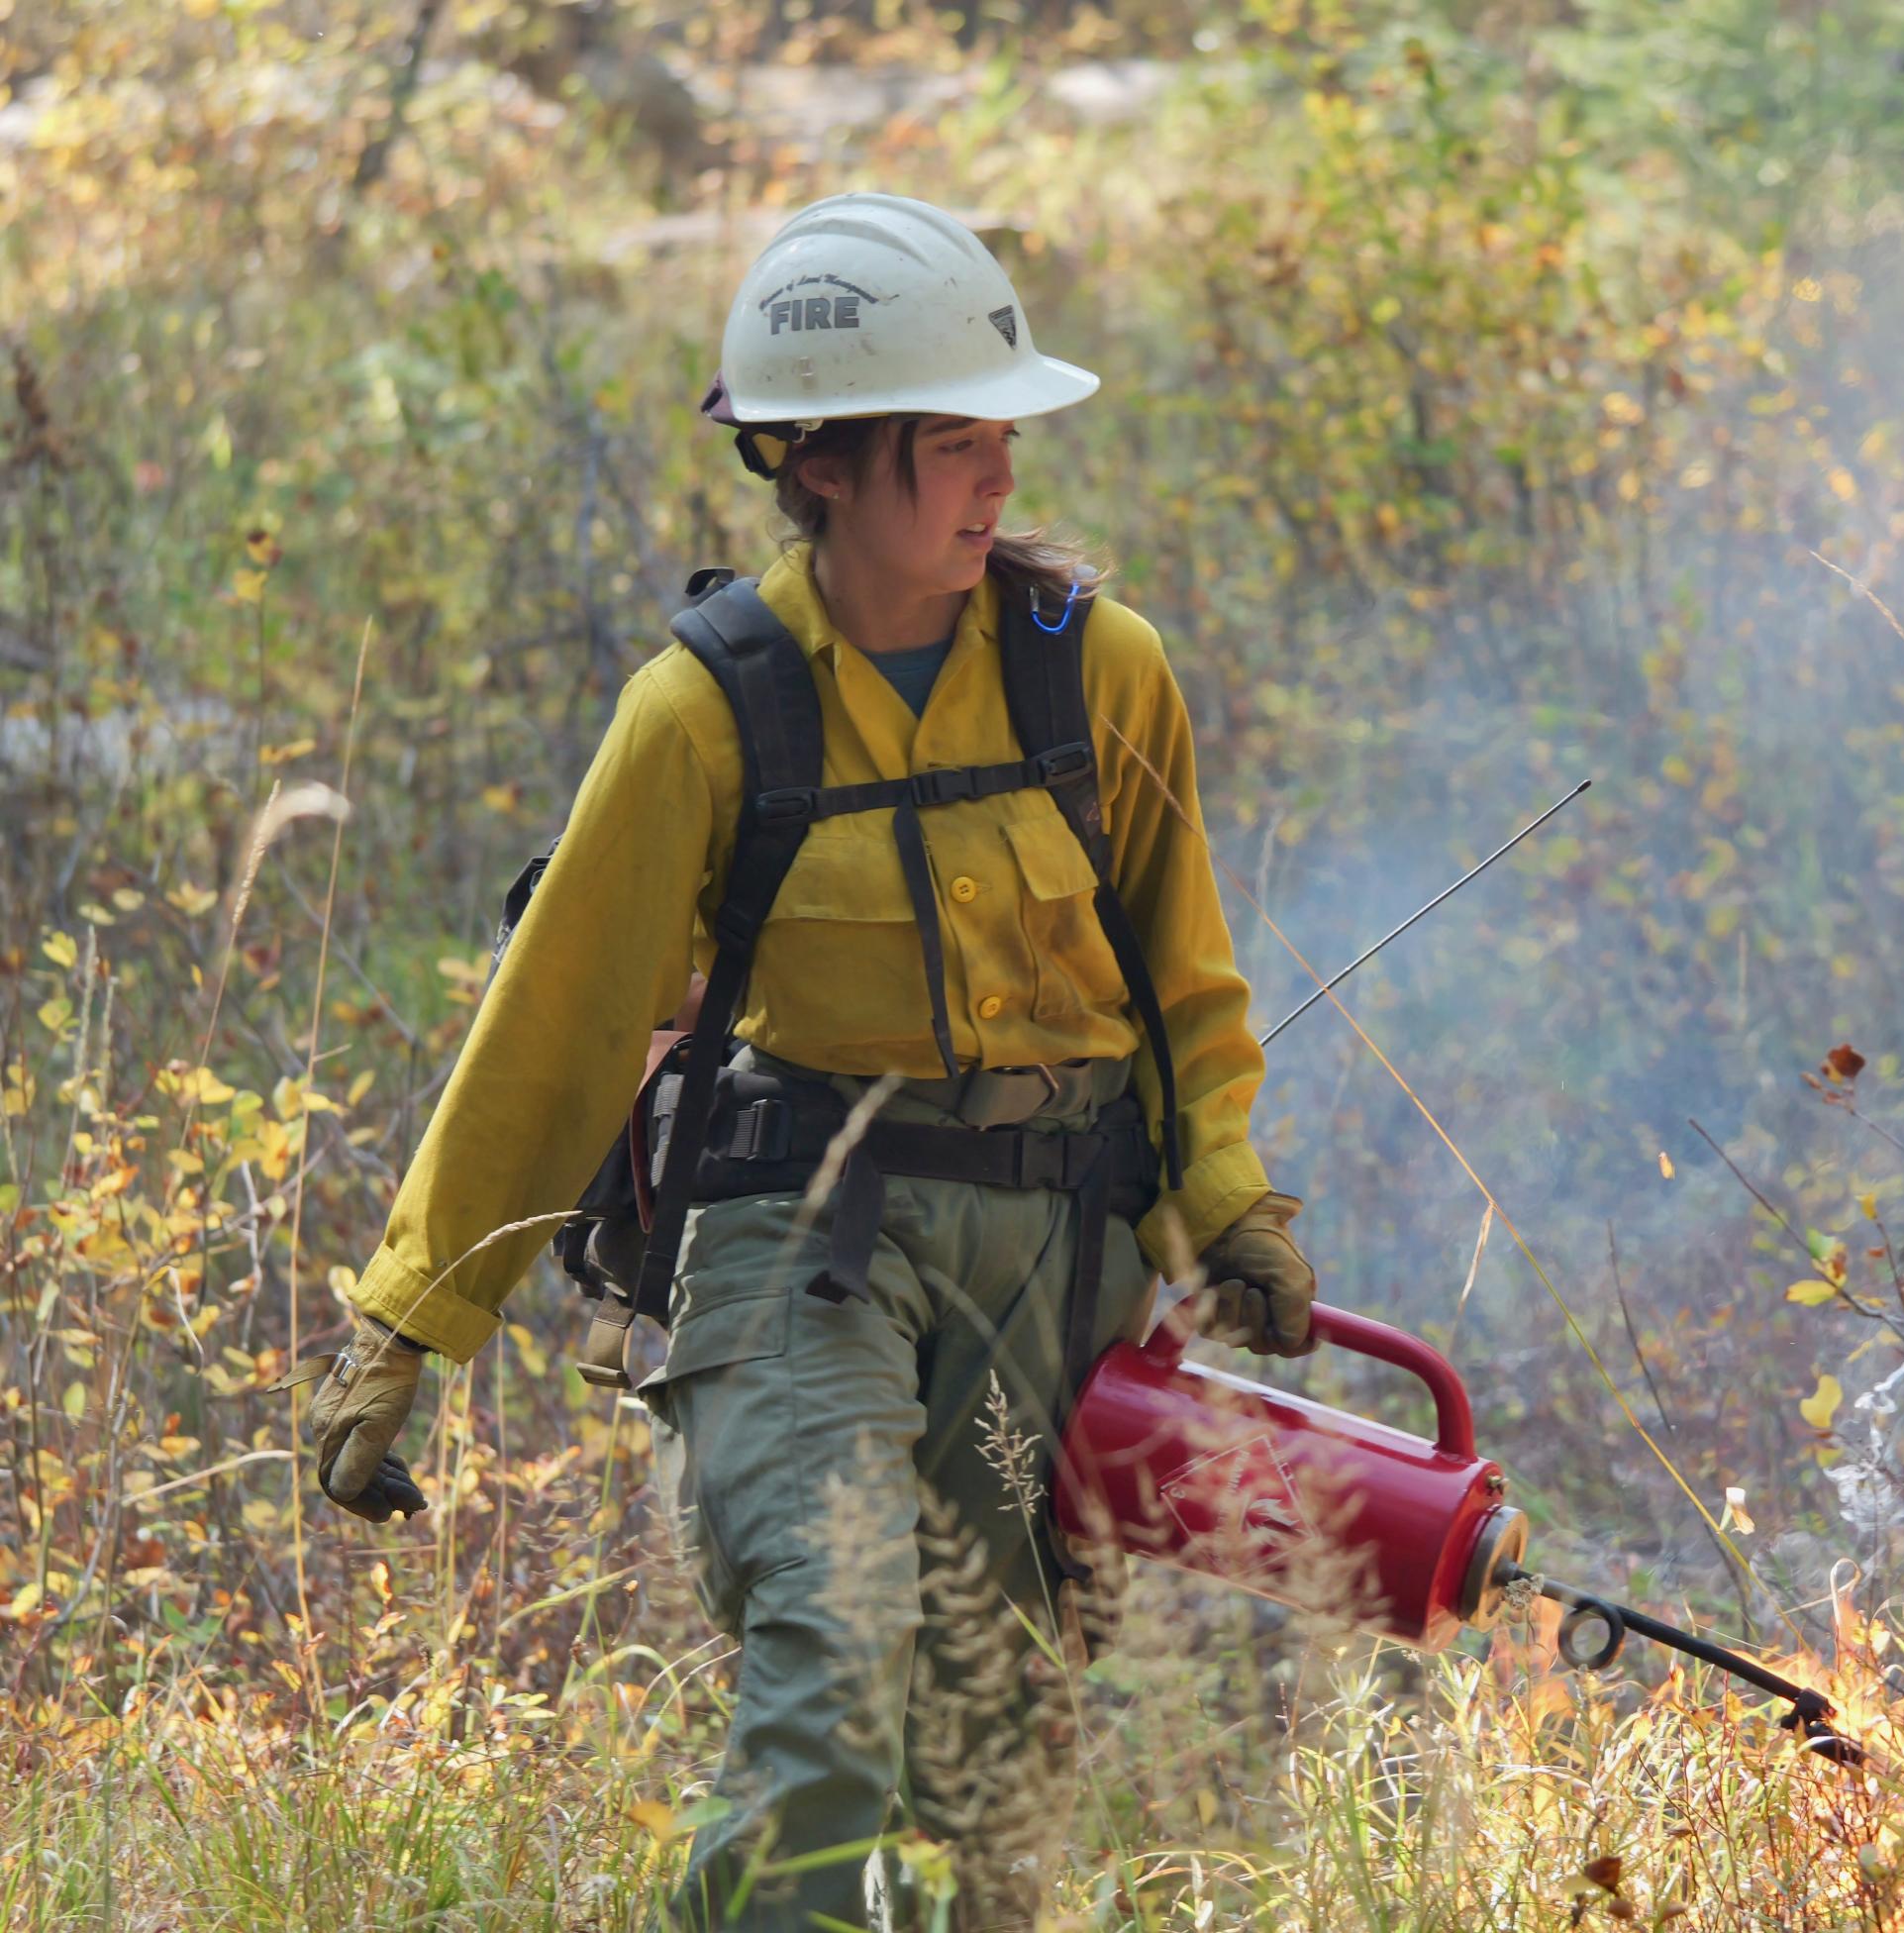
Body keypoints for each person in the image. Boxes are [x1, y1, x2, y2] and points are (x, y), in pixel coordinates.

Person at [301, 191, 1319, 1931]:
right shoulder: (706, 710)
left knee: (989, 1777)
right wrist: (405, 1331)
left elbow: (1186, 994)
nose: (998, 479)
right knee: (840, 1650)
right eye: (947, 444)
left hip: (1047, 1254)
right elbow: (553, 1033)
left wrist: (1225, 1198)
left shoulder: (1104, 678)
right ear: (820, 462)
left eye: (1003, 434)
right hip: (803, 1246)